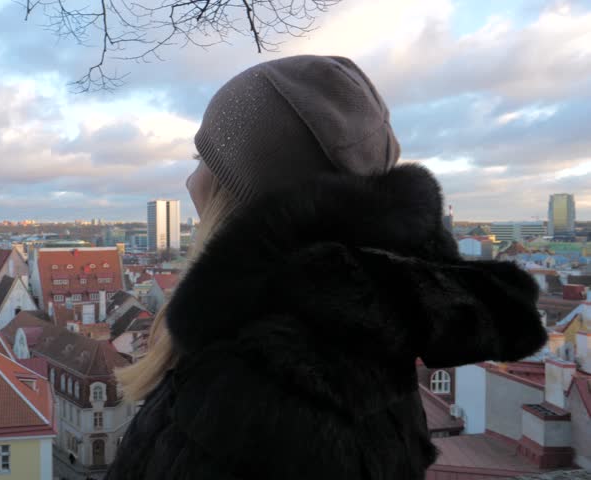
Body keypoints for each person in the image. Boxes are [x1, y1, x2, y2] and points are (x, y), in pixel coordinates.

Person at [105, 55, 548, 480]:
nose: (190, 180)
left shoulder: (260, 387)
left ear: (247, 196)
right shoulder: (349, 342)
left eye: (202, 161)